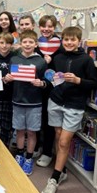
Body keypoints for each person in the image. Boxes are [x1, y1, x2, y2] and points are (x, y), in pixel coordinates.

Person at [41, 26, 97, 193]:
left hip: (74, 105)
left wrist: (78, 80)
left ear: (78, 41)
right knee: (58, 136)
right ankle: (63, 169)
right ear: (62, 41)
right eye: (66, 39)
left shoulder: (86, 60)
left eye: (72, 40)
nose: (69, 42)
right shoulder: (57, 57)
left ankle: (54, 179)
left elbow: (94, 83)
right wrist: (48, 76)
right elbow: (49, 76)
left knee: (65, 142)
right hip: (56, 102)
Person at [4, 30, 47, 176]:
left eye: (30, 42)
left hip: (34, 103)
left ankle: (29, 158)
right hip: (17, 101)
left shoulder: (40, 61)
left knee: (32, 132)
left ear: (35, 44)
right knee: (19, 130)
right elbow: (10, 81)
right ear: (20, 44)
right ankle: (20, 155)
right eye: (25, 42)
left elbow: (47, 81)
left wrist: (40, 83)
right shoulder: (14, 60)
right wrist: (7, 79)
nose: (27, 44)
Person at [36, 15, 64, 167]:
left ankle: (47, 152)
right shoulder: (36, 44)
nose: (46, 29)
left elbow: (61, 69)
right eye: (43, 26)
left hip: (52, 89)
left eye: (50, 26)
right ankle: (37, 147)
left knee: (48, 120)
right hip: (36, 86)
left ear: (54, 27)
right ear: (39, 27)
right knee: (36, 118)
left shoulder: (60, 46)